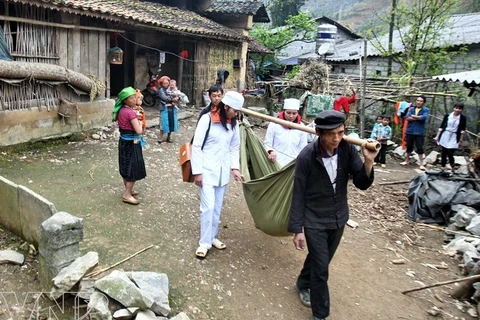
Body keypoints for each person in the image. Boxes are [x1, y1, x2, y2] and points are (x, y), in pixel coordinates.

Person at [288, 110, 378, 320]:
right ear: (319, 133)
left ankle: (302, 282)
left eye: (340, 133)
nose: (336, 138)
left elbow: (361, 183)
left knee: (322, 259)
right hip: (314, 220)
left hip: (338, 218)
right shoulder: (307, 157)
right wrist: (297, 229)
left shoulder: (347, 150)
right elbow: (298, 194)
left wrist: (368, 162)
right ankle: (320, 314)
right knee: (321, 269)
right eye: (331, 134)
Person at [190, 91, 245, 259]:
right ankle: (204, 243)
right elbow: (197, 146)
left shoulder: (233, 124)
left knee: (217, 207)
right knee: (207, 207)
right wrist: (197, 172)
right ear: (226, 106)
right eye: (234, 110)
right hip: (206, 171)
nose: (236, 114)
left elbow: (234, 147)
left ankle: (212, 237)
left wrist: (235, 168)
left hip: (223, 173)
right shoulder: (207, 119)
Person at [112, 86, 147, 205]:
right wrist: (141, 123)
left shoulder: (121, 110)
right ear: (125, 100)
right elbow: (138, 131)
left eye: (134, 97)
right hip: (132, 143)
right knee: (133, 167)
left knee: (125, 165)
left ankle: (129, 189)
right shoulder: (131, 113)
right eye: (131, 98)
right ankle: (127, 194)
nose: (134, 100)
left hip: (123, 141)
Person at [264, 98, 308, 167]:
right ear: (284, 111)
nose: (291, 116)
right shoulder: (274, 124)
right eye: (288, 113)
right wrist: (270, 151)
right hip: (275, 162)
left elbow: (303, 148)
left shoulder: (301, 127)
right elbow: (267, 143)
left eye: (294, 113)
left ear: (297, 113)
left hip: (292, 165)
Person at [433, 102, 467, 172]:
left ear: (462, 110)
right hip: (445, 134)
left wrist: (460, 139)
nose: (457, 110)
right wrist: (437, 136)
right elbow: (442, 126)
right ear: (453, 108)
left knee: (450, 152)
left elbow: (462, 130)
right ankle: (443, 166)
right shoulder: (448, 115)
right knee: (444, 151)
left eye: (459, 109)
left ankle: (452, 166)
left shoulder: (463, 118)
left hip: (454, 136)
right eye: (456, 108)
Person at [400, 95, 429, 170]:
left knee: (420, 147)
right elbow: (407, 117)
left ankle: (421, 164)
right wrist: (417, 118)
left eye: (421, 101)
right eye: (418, 100)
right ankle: (406, 160)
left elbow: (424, 117)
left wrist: (413, 117)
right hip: (410, 131)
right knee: (409, 146)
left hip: (419, 132)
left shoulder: (425, 110)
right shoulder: (412, 109)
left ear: (423, 102)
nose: (419, 102)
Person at [157, 76, 179, 143]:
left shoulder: (172, 89)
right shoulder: (161, 90)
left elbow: (178, 95)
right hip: (164, 108)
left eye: (167, 83)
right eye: (164, 83)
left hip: (172, 108)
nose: (166, 84)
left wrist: (178, 98)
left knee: (171, 122)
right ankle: (160, 137)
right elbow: (164, 98)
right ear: (161, 84)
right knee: (163, 123)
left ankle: (169, 137)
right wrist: (172, 99)